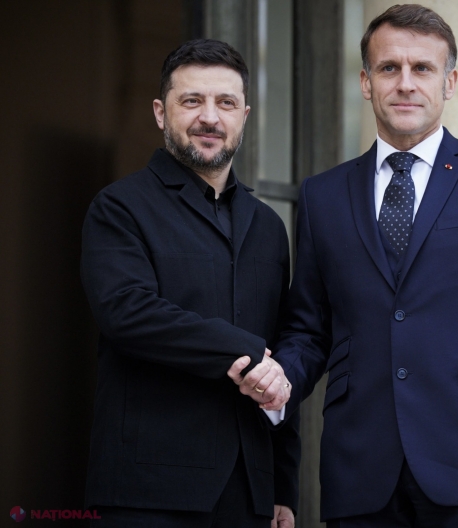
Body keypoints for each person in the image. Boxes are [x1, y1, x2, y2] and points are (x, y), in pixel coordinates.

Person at [229, 4, 458, 527]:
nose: (406, 83)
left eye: (423, 68)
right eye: (389, 68)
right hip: (360, 470)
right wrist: (279, 382)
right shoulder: (323, 195)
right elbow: (309, 330)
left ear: (449, 82)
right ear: (366, 82)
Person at [81, 38, 298, 528]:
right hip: (148, 491)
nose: (210, 117)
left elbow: (281, 349)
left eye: (226, 103)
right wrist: (245, 351)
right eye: (192, 100)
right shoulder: (119, 207)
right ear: (161, 112)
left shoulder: (268, 225)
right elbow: (127, 312)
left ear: (244, 115)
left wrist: (283, 486)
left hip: (250, 492)